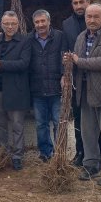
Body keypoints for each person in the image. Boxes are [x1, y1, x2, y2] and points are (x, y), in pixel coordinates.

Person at [65, 3, 101, 185]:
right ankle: (92, 164)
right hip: (84, 91)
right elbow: (75, 59)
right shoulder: (81, 36)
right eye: (89, 16)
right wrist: (69, 64)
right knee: (88, 133)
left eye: (96, 17)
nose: (92, 20)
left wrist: (78, 61)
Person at [62, 0, 101, 166]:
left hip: (100, 86)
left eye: (81, 2)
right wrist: (67, 70)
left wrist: (79, 61)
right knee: (85, 127)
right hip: (81, 86)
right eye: (75, 3)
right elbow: (71, 53)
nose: (78, 6)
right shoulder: (71, 28)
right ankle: (86, 158)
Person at [0, 11, 31, 170]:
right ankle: (3, 153)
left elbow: (24, 63)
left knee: (17, 125)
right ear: (1, 23)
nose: (10, 27)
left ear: (18, 24)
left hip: (16, 89)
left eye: (13, 24)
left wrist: (2, 64)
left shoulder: (24, 41)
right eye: (6, 23)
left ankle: (17, 156)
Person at [28, 9, 68, 162]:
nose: (40, 24)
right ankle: (45, 152)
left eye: (43, 21)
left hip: (56, 89)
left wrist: (64, 74)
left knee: (59, 122)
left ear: (49, 21)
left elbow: (65, 57)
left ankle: (60, 154)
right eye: (37, 22)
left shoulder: (59, 36)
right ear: (34, 24)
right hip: (37, 89)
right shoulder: (29, 38)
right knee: (41, 124)